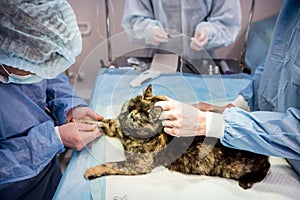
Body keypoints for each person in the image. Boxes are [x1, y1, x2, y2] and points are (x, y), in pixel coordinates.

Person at [155, 0, 300, 174]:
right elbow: (277, 61)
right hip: (274, 147)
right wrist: (234, 107)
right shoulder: (293, 7)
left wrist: (212, 124)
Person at [0, 1, 103, 199]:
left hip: (48, 177)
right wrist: (54, 139)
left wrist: (72, 107)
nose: (39, 73)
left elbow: (50, 75)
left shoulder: (26, 53)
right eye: (33, 66)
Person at [121, 0, 242, 57]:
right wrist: (148, 31)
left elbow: (228, 21)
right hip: (159, 61)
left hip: (201, 63)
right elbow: (134, 19)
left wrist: (209, 33)